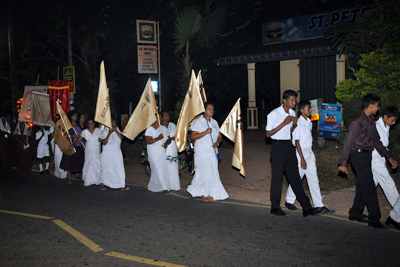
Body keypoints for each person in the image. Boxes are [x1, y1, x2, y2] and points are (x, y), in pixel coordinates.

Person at [338, 94, 398, 229]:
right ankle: (374, 219)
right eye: (377, 105)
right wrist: (343, 163)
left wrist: (389, 156)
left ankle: (355, 213)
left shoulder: (371, 120)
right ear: (371, 106)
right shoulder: (357, 121)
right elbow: (348, 143)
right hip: (357, 156)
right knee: (370, 187)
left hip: (367, 156)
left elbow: (377, 141)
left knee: (362, 185)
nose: (378, 108)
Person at [266, 90, 323, 217]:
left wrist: (293, 125)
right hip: (278, 147)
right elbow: (268, 134)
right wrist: (284, 123)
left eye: (295, 100)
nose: (294, 103)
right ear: (284, 101)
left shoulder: (292, 113)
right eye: (291, 100)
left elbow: (290, 131)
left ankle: (307, 207)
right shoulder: (274, 113)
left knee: (295, 178)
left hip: (289, 146)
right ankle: (275, 207)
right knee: (277, 179)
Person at [284, 101, 334, 214]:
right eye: (308, 109)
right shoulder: (298, 123)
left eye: (311, 109)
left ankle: (319, 205)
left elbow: (314, 120)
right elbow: (297, 142)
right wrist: (302, 158)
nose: (311, 110)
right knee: (297, 178)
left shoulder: (309, 122)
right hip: (300, 153)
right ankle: (289, 200)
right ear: (302, 110)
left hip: (309, 152)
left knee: (313, 179)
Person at [187, 102, 229, 202]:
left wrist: (217, 143)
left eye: (213, 109)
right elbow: (193, 136)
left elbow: (219, 136)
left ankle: (210, 193)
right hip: (202, 151)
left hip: (212, 151)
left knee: (212, 171)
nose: (211, 111)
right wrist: (206, 132)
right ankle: (203, 193)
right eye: (209, 108)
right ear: (204, 110)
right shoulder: (198, 121)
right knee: (204, 171)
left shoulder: (214, 122)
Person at [371, 106, 399, 207]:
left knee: (369, 186)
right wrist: (388, 158)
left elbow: (384, 147)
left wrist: (387, 158)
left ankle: (356, 210)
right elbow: (380, 146)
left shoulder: (385, 127)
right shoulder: (377, 127)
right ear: (386, 117)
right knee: (389, 184)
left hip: (379, 159)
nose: (394, 123)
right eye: (393, 120)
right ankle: (398, 211)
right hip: (375, 159)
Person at [71, 119, 103, 188]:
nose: (91, 125)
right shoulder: (84, 131)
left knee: (98, 165)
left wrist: (101, 140)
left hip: (96, 151)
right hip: (89, 150)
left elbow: (103, 138)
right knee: (88, 164)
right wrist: (73, 144)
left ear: (94, 123)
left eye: (92, 123)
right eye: (89, 123)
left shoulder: (98, 130)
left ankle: (97, 180)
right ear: (87, 124)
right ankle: (85, 179)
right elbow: (79, 139)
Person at [101, 118, 129, 191]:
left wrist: (115, 130)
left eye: (114, 123)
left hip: (117, 153)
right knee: (106, 168)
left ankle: (121, 184)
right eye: (112, 123)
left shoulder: (117, 129)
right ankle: (102, 184)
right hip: (108, 153)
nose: (114, 124)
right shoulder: (105, 131)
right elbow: (104, 142)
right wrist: (109, 133)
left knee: (119, 169)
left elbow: (121, 137)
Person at [145, 118, 170, 195]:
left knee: (162, 169)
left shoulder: (163, 128)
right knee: (156, 169)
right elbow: (147, 141)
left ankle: (162, 187)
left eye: (160, 117)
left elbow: (169, 139)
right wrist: (158, 138)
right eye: (157, 117)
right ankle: (161, 186)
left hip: (162, 151)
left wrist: (166, 143)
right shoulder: (149, 129)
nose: (159, 119)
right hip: (153, 152)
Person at [60, 111, 85, 184]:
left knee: (79, 160)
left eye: (76, 115)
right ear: (71, 116)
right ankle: (69, 177)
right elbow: (64, 135)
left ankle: (78, 174)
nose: (76, 117)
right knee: (70, 161)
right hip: (70, 145)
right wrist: (74, 136)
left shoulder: (78, 124)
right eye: (74, 115)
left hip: (79, 145)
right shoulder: (68, 125)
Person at [161, 111, 181, 191]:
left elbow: (177, 135)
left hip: (173, 147)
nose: (168, 117)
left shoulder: (172, 125)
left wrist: (173, 138)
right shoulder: (160, 126)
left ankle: (173, 185)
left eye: (168, 115)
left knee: (173, 165)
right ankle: (165, 185)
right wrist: (170, 139)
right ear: (162, 117)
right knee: (166, 166)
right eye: (166, 116)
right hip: (164, 148)